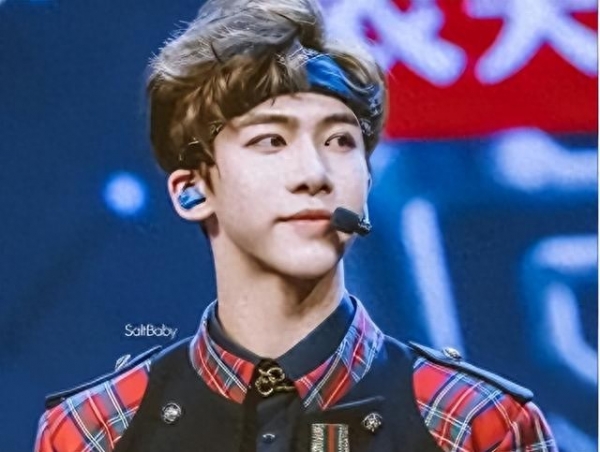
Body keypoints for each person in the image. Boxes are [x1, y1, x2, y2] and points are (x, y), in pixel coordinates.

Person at [34, 0, 557, 451]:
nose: (315, 173)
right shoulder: (97, 430)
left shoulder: (475, 423)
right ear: (193, 189)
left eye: (340, 142)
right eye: (271, 141)